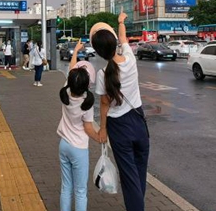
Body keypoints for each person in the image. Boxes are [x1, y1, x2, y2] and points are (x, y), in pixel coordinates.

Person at [93, 11, 150, 211]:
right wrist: (120, 22)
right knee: (140, 173)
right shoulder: (130, 59)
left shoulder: (103, 74)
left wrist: (103, 129)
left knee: (129, 178)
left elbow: (104, 104)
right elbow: (124, 38)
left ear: (99, 52)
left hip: (119, 128)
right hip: (139, 123)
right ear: (115, 44)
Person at [57, 67, 100, 211]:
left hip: (64, 145)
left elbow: (72, 67)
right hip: (79, 149)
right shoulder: (86, 103)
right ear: (87, 85)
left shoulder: (65, 93)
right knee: (80, 191)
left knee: (66, 186)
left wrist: (76, 51)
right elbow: (88, 128)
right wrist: (99, 138)